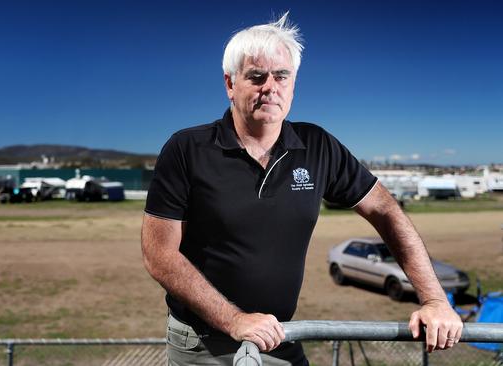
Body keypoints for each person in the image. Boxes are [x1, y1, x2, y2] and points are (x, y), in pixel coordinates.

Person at [141, 12, 462, 366]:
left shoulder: (318, 146)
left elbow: (386, 211)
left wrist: (434, 300)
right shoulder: (187, 148)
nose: (271, 87)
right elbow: (160, 255)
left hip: (280, 336)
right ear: (230, 84)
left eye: (282, 76)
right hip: (203, 345)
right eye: (256, 76)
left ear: (293, 83)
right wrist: (234, 320)